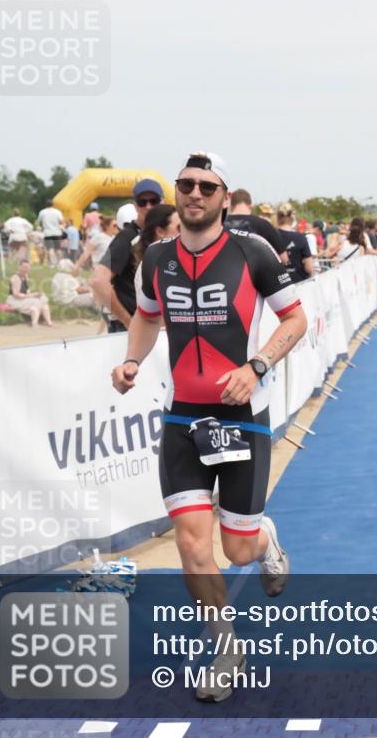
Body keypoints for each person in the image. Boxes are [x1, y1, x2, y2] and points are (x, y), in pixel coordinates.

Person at [111, 151, 306, 703]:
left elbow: (296, 318)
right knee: (193, 546)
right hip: (180, 417)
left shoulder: (253, 253)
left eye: (205, 186)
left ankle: (266, 540)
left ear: (223, 196)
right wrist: (132, 360)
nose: (193, 194)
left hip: (242, 417)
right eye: (185, 185)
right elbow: (148, 315)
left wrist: (257, 365)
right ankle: (226, 646)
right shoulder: (155, 258)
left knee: (236, 549)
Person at [91, 180, 164, 333]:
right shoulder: (126, 238)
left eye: (154, 201)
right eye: (142, 201)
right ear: (135, 205)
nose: (148, 206)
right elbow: (98, 280)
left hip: (155, 327)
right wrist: (128, 322)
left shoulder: (160, 234)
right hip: (131, 330)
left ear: (162, 201)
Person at [225, 189, 288, 263]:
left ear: (231, 205)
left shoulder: (219, 224)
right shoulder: (263, 224)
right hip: (255, 272)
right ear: (250, 206)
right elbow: (284, 258)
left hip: (223, 271)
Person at [6, 260, 53, 327]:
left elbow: (27, 292)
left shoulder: (25, 277)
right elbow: (16, 294)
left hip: (22, 298)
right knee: (36, 302)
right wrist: (32, 295)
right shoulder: (15, 278)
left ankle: (49, 322)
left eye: (27, 267)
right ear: (19, 267)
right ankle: (34, 323)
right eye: (24, 267)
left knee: (43, 298)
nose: (26, 269)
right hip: (14, 300)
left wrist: (36, 295)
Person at [276, 203, 314, 283]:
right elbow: (309, 268)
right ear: (293, 219)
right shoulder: (301, 237)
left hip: (276, 284)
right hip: (298, 283)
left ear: (278, 218)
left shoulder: (270, 236)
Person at [37, 199, 65, 266]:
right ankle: (60, 264)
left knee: (50, 249)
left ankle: (52, 264)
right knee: (58, 249)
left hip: (48, 233)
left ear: (46, 205)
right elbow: (61, 222)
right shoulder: (58, 212)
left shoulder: (42, 212)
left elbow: (39, 222)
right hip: (57, 232)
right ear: (53, 204)